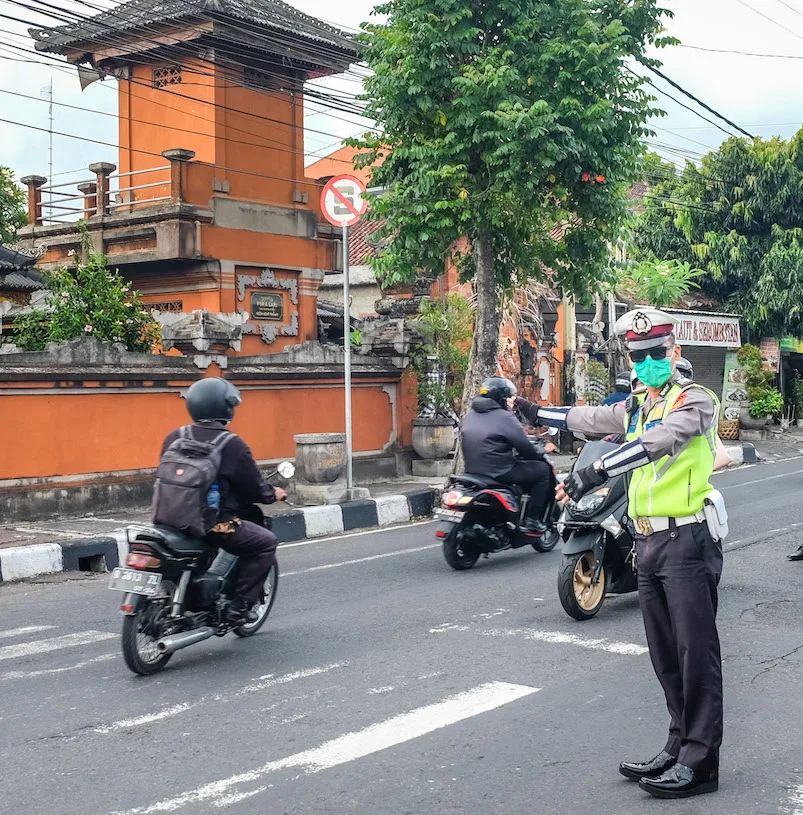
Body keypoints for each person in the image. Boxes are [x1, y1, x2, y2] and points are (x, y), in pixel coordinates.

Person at [518, 308, 725, 800]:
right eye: (639, 355)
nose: (648, 362)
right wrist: (533, 411)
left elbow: (656, 445)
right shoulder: (637, 404)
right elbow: (587, 418)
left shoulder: (695, 401)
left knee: (696, 655)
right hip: (648, 542)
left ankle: (701, 762)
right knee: (665, 654)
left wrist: (596, 470)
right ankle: (678, 743)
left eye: (656, 353)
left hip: (687, 541)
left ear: (673, 352)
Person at [159, 378, 286, 623]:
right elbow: (254, 488)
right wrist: (274, 494)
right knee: (266, 543)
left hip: (168, 519)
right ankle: (238, 608)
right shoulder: (232, 445)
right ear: (226, 408)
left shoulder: (175, 436)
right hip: (212, 525)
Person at [460, 376, 551, 534]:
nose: (511, 401)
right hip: (501, 472)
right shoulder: (504, 418)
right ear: (501, 398)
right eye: (509, 397)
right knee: (542, 471)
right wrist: (542, 450)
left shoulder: (471, 415)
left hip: (472, 472)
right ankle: (532, 520)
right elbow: (526, 450)